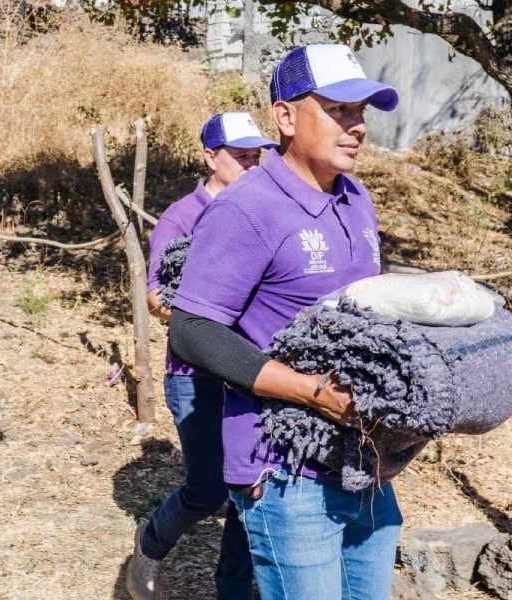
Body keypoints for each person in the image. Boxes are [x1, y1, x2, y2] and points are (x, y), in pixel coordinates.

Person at [168, 45, 403, 599]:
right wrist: (312, 392)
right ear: (286, 116)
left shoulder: (356, 197)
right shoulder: (248, 207)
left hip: (363, 463)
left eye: (361, 112)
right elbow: (193, 330)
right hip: (284, 470)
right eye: (338, 109)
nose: (357, 126)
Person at [127, 113, 277, 600]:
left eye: (258, 156)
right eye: (242, 156)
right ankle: (150, 544)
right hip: (196, 375)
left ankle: (234, 589)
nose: (253, 165)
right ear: (210, 157)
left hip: (250, 371)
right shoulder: (181, 217)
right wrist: (209, 302)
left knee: (248, 487)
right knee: (210, 489)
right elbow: (156, 297)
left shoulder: (266, 211)